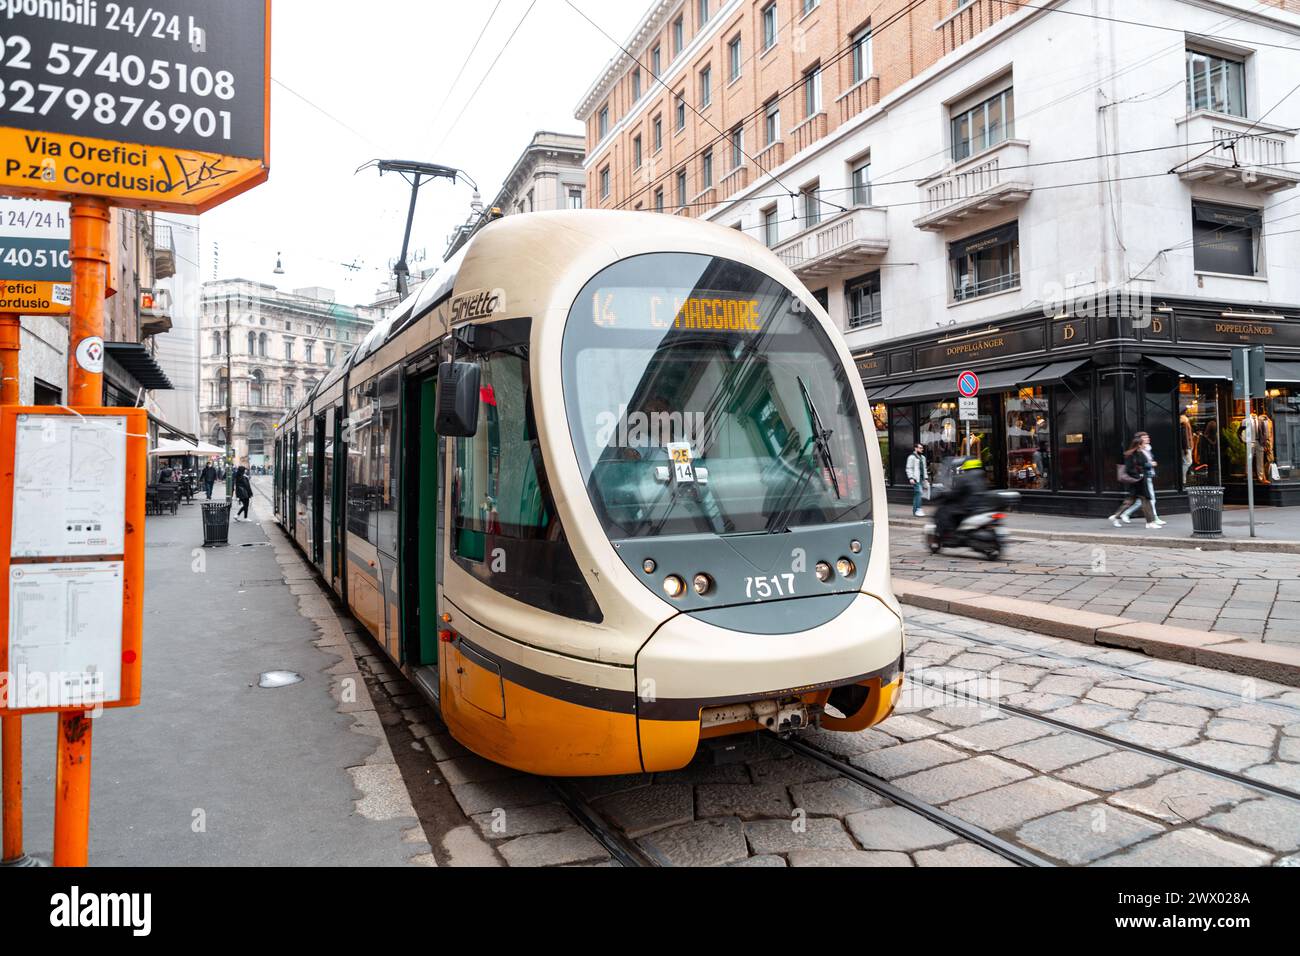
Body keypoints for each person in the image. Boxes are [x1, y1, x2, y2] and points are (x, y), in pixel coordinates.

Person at [1110, 432, 1164, 529]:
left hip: (1141, 480)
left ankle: (1116, 516)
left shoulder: (1141, 453)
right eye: (1144, 443)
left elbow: (1143, 465)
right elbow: (1130, 469)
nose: (1145, 445)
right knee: (1145, 500)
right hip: (1137, 481)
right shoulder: (1130, 455)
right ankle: (1150, 522)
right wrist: (1139, 475)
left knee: (1132, 500)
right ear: (1139, 444)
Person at [934, 457, 987, 542]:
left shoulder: (964, 477)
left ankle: (949, 534)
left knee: (944, 510)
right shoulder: (981, 476)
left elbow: (955, 493)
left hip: (967, 506)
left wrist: (945, 495)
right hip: (979, 505)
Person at [906, 443, 927, 517]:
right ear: (916, 448)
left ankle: (916, 511)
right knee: (919, 492)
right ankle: (918, 509)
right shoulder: (911, 457)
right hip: (915, 479)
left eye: (922, 448)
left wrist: (926, 478)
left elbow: (924, 468)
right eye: (920, 448)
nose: (922, 449)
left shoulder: (923, 457)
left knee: (917, 494)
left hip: (921, 479)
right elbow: (909, 468)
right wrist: (911, 478)